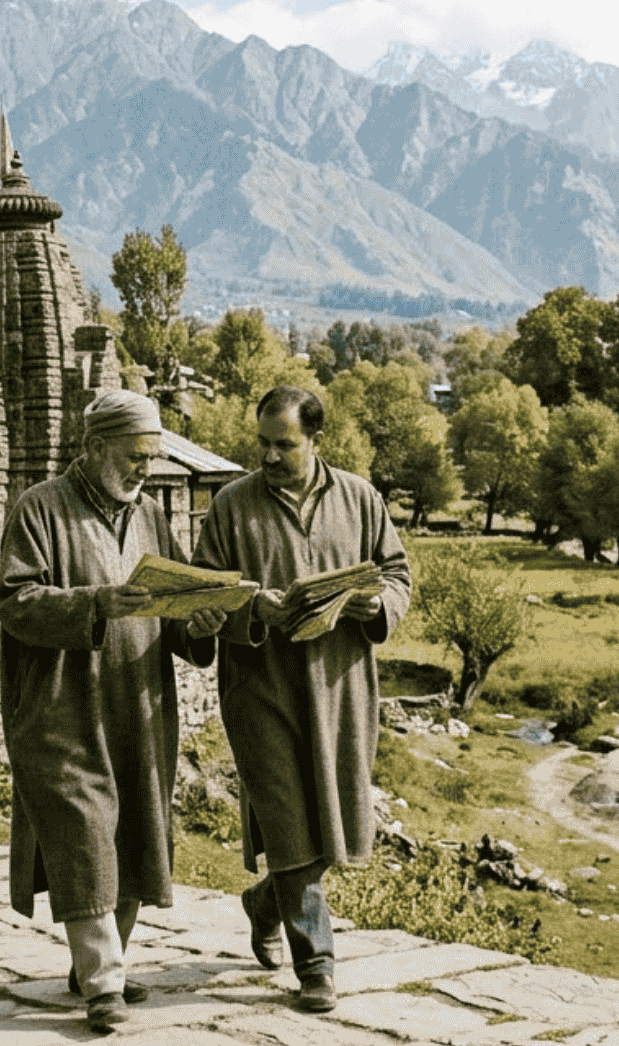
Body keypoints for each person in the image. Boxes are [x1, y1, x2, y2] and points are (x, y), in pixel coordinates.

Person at [0, 390, 230, 1030]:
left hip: (138, 702)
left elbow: (177, 611)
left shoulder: (151, 516)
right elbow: (16, 602)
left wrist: (202, 621)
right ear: (95, 448)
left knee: (132, 836)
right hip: (61, 707)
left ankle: (100, 962)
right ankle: (104, 985)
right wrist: (98, 602)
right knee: (85, 835)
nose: (143, 470)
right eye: (133, 457)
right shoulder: (39, 509)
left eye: (151, 459)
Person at [191, 385, 411, 1015]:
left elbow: (396, 573)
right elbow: (205, 596)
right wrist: (251, 607)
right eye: (261, 442)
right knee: (289, 822)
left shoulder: (361, 499)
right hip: (259, 690)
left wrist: (378, 604)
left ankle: (265, 901)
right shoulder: (230, 508)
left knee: (329, 829)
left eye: (282, 445)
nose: (267, 455)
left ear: (316, 441)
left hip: (340, 690)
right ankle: (316, 966)